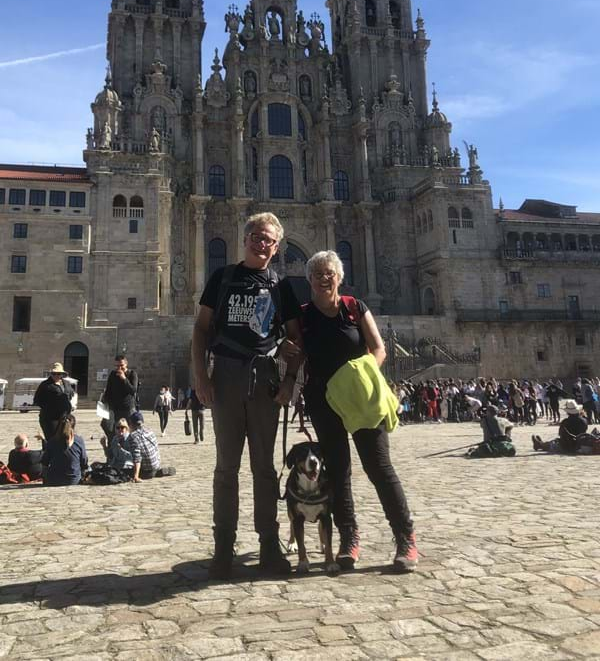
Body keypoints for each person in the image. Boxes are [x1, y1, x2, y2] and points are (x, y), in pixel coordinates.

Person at [192, 211, 303, 579]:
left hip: (264, 378)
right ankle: (223, 546)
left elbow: (294, 338)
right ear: (246, 238)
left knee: (264, 468)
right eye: (256, 235)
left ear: (276, 245)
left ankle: (269, 543)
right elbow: (201, 330)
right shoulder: (222, 278)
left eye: (269, 238)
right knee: (226, 467)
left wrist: (289, 382)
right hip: (224, 375)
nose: (261, 242)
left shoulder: (280, 286)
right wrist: (201, 377)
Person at [300, 249, 418, 573]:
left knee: (379, 467)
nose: (325, 278)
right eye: (318, 273)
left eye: (330, 273)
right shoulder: (303, 316)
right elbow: (293, 353)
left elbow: (379, 347)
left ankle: (405, 537)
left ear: (339, 277)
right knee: (338, 471)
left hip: (362, 397)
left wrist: (362, 373)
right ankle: (348, 538)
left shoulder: (355, 308)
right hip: (324, 401)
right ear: (309, 279)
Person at [128, 411, 175, 481]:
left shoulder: (133, 436)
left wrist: (136, 476)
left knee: (123, 470)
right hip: (156, 465)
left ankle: (149, 473)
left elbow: (137, 458)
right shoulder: (150, 431)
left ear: (131, 423)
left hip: (145, 470)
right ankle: (156, 472)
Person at [42, 414, 88, 486]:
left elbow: (45, 462)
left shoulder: (52, 441)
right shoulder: (79, 440)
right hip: (73, 479)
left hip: (53, 480)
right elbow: (84, 461)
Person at [33, 363, 74, 443]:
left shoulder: (67, 384)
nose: (56, 376)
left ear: (62, 374)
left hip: (65, 418)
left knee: (64, 440)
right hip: (50, 419)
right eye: (53, 374)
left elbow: (70, 394)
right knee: (53, 441)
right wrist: (50, 407)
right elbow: (37, 400)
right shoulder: (45, 385)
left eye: (58, 374)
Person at [102, 355, 139, 438]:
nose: (119, 367)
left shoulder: (132, 374)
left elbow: (133, 390)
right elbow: (108, 390)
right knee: (107, 425)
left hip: (127, 408)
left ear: (126, 364)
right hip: (114, 408)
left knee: (128, 430)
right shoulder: (113, 374)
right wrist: (105, 402)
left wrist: (124, 379)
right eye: (117, 366)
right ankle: (114, 443)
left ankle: (127, 445)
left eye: (121, 365)